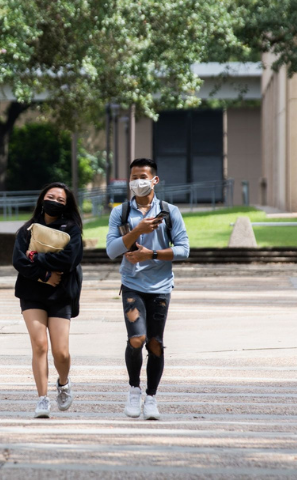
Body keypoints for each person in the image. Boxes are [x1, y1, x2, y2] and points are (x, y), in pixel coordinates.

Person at [106, 158, 190, 420]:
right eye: (133, 177)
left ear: (154, 180)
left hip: (160, 287)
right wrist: (138, 230)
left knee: (155, 343)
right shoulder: (120, 213)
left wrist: (150, 254)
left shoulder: (169, 211)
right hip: (132, 285)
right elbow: (111, 251)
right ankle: (134, 390)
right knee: (137, 338)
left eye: (143, 176)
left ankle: (151, 398)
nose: (137, 182)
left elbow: (184, 250)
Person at [12, 182, 83, 418]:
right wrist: (43, 275)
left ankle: (63, 383)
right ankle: (42, 399)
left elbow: (69, 260)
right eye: (50, 196)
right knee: (39, 345)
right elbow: (19, 261)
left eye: (60, 199)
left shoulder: (72, 229)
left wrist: (38, 256)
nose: (54, 201)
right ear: (42, 199)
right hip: (32, 293)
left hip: (61, 294)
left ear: (67, 205)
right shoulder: (27, 229)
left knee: (61, 352)